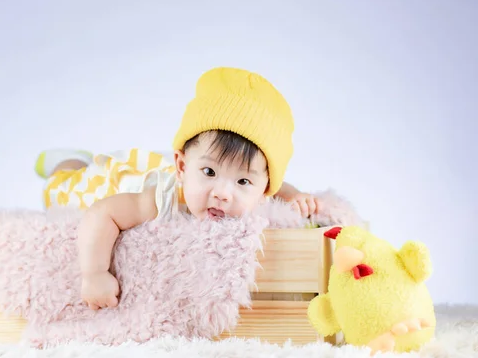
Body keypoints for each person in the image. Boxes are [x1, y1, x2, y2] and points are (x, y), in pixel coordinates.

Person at [35, 67, 321, 310]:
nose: (222, 193)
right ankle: (69, 161)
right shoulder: (161, 198)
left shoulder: (256, 189)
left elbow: (275, 182)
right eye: (210, 172)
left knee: (229, 170)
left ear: (264, 188)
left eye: (243, 181)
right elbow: (102, 214)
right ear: (182, 167)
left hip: (185, 168)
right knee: (63, 193)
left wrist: (294, 196)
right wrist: (94, 273)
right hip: (113, 183)